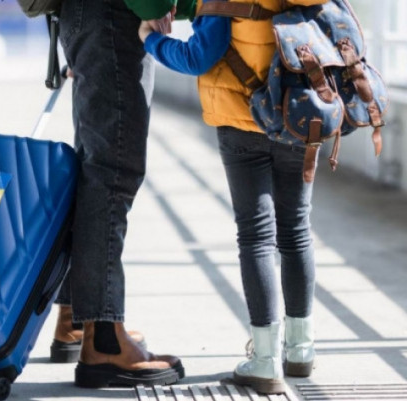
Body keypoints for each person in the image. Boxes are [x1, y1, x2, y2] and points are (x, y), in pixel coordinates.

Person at [139, 0, 327, 394]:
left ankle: (265, 360)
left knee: (256, 236)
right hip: (299, 115)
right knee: (296, 230)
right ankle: (301, 349)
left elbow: (198, 57)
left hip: (242, 118)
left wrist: (151, 40)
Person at [48, 0, 195, 388]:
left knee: (93, 170)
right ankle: (104, 342)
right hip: (114, 18)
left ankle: (76, 320)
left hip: (89, 16)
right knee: (111, 174)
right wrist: (157, 4)